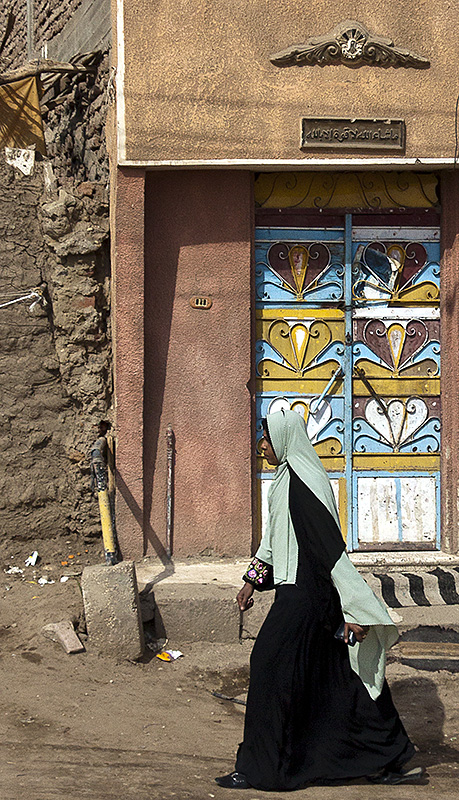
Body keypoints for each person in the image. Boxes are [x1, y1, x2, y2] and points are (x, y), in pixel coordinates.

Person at [215, 409, 424, 790]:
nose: (262, 446)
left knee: (268, 665)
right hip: (300, 591)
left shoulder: (301, 484)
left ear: (283, 440)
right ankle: (398, 757)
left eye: (266, 439)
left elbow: (331, 552)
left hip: (306, 599)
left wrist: (354, 609)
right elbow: (275, 538)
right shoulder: (286, 480)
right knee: (339, 676)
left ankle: (260, 767)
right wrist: (251, 579)